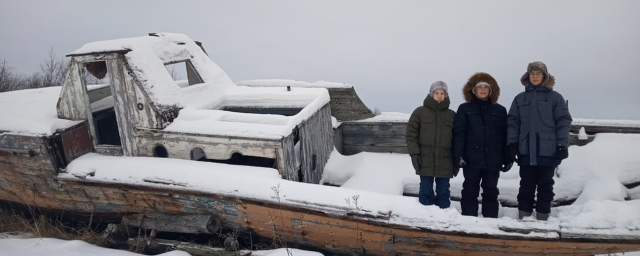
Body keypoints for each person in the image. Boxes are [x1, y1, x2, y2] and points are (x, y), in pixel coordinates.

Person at [507, 61, 572, 221]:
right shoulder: (519, 99)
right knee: (526, 186)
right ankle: (524, 217)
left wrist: (562, 145)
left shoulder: (555, 98)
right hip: (526, 150)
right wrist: (512, 144)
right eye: (532, 74)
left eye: (538, 73)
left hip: (548, 150)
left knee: (545, 186)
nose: (535, 76)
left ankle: (543, 218)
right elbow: (513, 122)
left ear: (544, 76)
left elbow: (563, 121)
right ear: (527, 76)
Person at [453, 72, 511, 218]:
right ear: (473, 90)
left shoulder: (500, 110)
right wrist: (458, 155)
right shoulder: (464, 109)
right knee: (470, 190)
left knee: (491, 190)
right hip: (472, 159)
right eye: (480, 87)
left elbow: (505, 135)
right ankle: (469, 220)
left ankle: (490, 222)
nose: (483, 89)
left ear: (492, 90)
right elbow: (459, 133)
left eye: (486, 87)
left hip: (493, 159)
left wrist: (508, 157)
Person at [406, 81, 456, 209]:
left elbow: (458, 139)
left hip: (445, 160)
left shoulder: (452, 116)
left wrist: (456, 159)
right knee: (425, 189)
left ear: (446, 95)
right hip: (425, 159)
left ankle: (444, 219)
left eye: (442, 93)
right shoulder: (420, 112)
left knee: (444, 191)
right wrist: (414, 153)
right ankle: (425, 219)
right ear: (431, 94)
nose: (439, 96)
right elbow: (411, 135)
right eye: (436, 93)